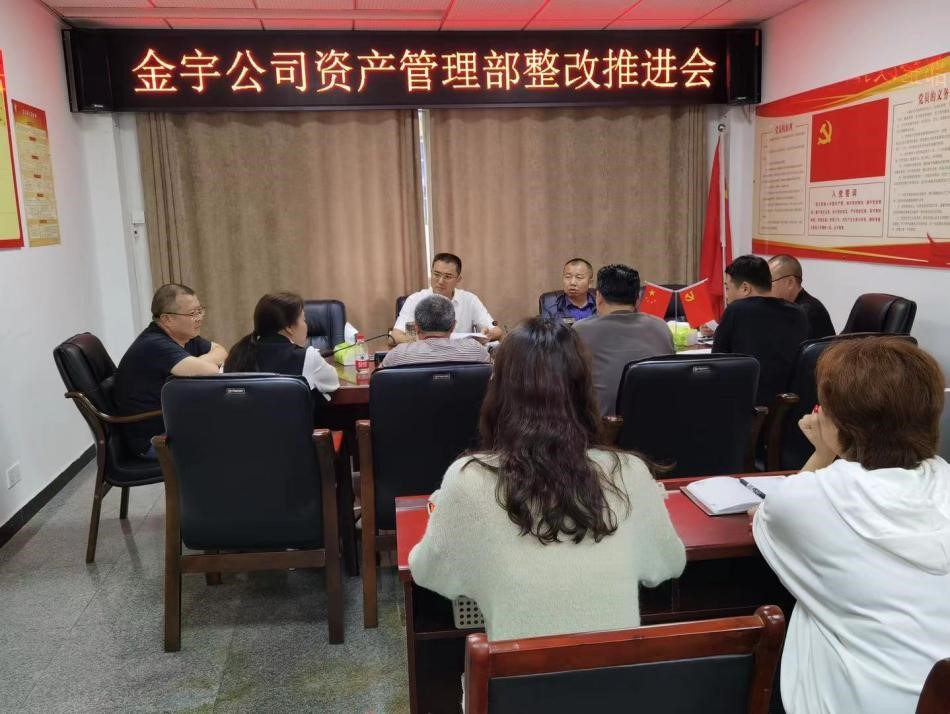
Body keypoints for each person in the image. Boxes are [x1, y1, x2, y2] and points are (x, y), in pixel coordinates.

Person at [409, 318, 685, 642]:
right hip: (618, 673)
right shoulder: (628, 472)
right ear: (584, 391)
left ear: (498, 389)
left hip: (517, 674)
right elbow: (669, 564)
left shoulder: (468, 478)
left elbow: (430, 572)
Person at [752, 337, 950, 714]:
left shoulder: (807, 500)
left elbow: (768, 513)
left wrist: (823, 452)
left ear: (838, 422)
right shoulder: (943, 477)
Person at [113, 283, 228, 457]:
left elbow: (221, 351)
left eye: (200, 311)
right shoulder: (155, 344)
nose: (199, 318)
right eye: (192, 313)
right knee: (231, 439)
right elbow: (211, 371)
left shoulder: (184, 337)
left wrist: (195, 363)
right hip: (155, 439)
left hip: (175, 423)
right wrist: (204, 365)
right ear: (167, 319)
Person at [573, 264, 674, 416]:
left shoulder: (580, 330)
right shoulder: (661, 327)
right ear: (638, 299)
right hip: (656, 419)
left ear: (598, 297)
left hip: (603, 425)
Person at [713, 255, 808, 406]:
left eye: (727, 288)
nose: (727, 296)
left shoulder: (736, 310)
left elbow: (716, 362)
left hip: (747, 406)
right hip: (789, 406)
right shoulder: (798, 313)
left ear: (745, 288)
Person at [223, 291, 340, 398]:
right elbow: (333, 383)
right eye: (303, 320)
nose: (306, 325)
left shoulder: (237, 354)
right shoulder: (308, 357)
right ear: (289, 327)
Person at [392, 253, 503, 344]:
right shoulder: (415, 300)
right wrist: (421, 342)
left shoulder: (469, 300)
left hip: (459, 357)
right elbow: (396, 335)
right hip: (425, 355)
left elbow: (497, 330)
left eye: (448, 277)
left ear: (458, 279)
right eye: (436, 274)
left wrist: (488, 334)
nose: (440, 281)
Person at [380, 294, 490, 368]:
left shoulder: (397, 355)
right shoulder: (477, 351)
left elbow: (379, 383)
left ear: (416, 327)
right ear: (453, 326)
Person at [768, 254, 835, 339]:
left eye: (769, 283)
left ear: (790, 282)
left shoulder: (806, 313)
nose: (765, 289)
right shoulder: (788, 308)